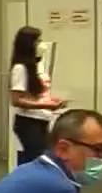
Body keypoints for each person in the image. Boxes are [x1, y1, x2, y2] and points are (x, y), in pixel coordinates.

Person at [9, 26, 66, 165]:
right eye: (38, 41)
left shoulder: (35, 66)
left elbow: (36, 94)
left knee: (44, 158)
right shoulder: (20, 68)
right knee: (37, 161)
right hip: (28, 122)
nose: (41, 44)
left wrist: (50, 101)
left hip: (42, 120)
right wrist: (45, 105)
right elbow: (16, 100)